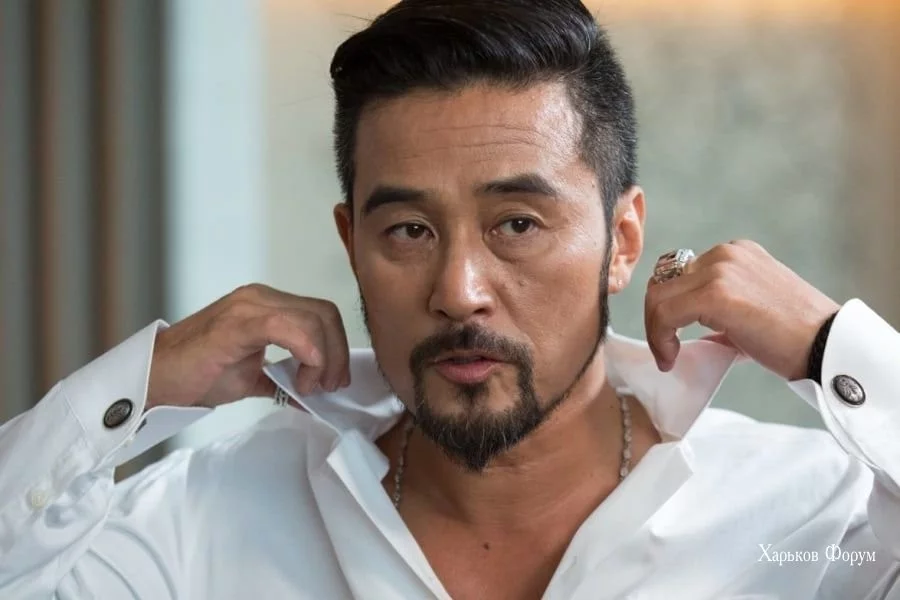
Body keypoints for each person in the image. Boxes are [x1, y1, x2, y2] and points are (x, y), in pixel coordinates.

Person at [2, 0, 899, 598]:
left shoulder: (812, 518)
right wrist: (143, 383)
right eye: (409, 231)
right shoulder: (209, 518)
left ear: (622, 241)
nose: (459, 293)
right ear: (352, 244)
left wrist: (838, 348)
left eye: (517, 224)